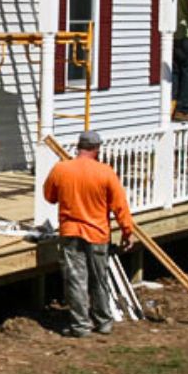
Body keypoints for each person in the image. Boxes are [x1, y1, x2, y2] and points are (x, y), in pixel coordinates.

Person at [42, 130, 135, 338]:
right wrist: (127, 231)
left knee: (76, 280)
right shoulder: (106, 172)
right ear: (96, 149)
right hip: (98, 233)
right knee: (99, 279)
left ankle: (81, 326)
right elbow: (120, 205)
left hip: (71, 232)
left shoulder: (61, 169)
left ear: (79, 147)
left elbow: (49, 196)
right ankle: (103, 322)